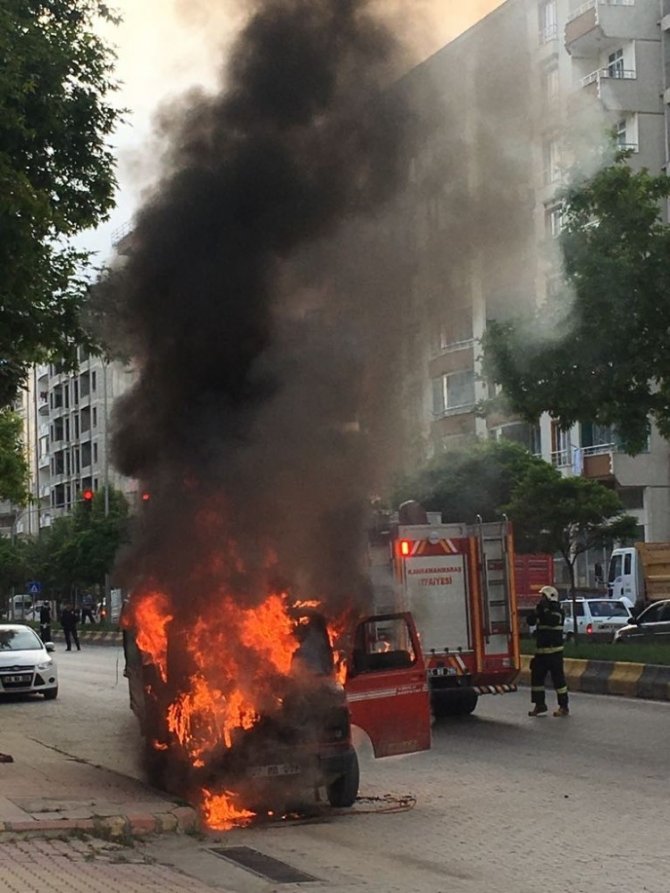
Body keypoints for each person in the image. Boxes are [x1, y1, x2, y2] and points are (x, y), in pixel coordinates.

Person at [527, 585, 569, 717]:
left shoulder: (557, 611)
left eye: (543, 597)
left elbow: (551, 620)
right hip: (541, 653)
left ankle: (563, 706)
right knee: (536, 679)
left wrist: (543, 611)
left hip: (554, 653)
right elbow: (530, 622)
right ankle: (540, 704)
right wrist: (535, 612)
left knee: (559, 681)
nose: (541, 599)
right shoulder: (541, 610)